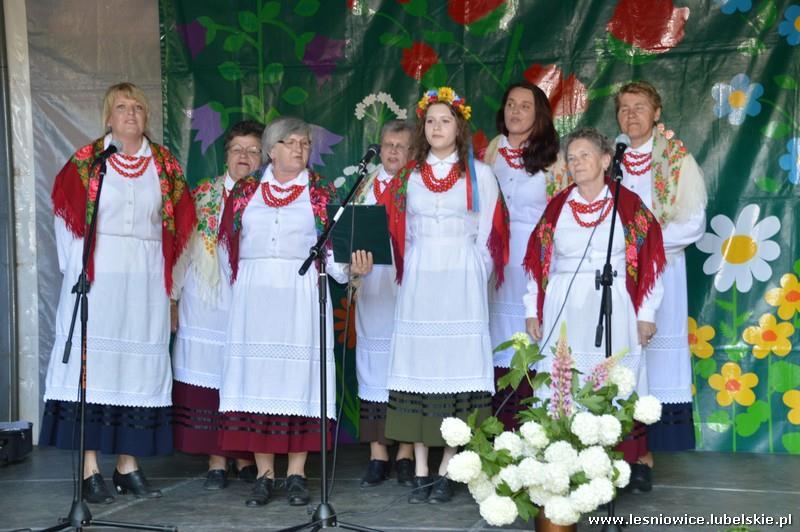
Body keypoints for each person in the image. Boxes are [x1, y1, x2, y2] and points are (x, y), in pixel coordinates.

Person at [40, 82, 196, 503]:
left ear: (146, 117)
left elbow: (184, 230)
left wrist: (173, 290)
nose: (130, 114)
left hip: (145, 281)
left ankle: (129, 464)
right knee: (95, 367)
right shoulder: (89, 162)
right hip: (99, 278)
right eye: (121, 108)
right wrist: (79, 271)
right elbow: (66, 219)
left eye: (138, 108)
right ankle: (90, 467)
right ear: (108, 117)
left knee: (136, 369)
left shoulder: (164, 165)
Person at [216, 117, 373, 507]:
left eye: (305, 143)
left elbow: (334, 256)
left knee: (298, 381)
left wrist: (352, 267)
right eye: (291, 142)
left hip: (300, 296)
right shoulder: (245, 190)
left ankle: (297, 475)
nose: (300, 150)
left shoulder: (319, 192)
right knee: (259, 382)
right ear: (271, 149)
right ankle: (265, 474)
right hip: (254, 298)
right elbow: (227, 248)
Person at [382, 87, 509, 504]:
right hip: (420, 277)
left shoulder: (480, 174)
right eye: (431, 121)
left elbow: (492, 231)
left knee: (456, 366)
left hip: (460, 276)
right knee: (420, 365)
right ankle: (420, 466)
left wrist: (475, 272)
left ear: (459, 128)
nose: (437, 127)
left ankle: (448, 466)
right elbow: (396, 229)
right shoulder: (410, 176)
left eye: (445, 120)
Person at [523, 127, 666, 467]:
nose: (577, 162)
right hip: (564, 305)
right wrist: (534, 309)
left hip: (614, 302)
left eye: (585, 155)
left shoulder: (628, 205)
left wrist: (647, 313)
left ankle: (621, 462)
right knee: (565, 377)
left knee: (614, 377)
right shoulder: (558, 207)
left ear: (605, 160)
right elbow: (538, 262)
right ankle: (566, 458)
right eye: (571, 158)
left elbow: (650, 263)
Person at [615, 81, 707, 491]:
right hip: (616, 275)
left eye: (639, 107)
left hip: (660, 272)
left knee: (653, 356)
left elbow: (693, 223)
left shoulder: (676, 159)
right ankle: (624, 453)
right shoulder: (610, 158)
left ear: (656, 113)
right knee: (621, 359)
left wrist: (641, 243)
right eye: (623, 108)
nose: (631, 115)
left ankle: (646, 457)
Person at [171, 120, 264, 490]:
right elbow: (180, 253)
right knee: (209, 379)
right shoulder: (203, 195)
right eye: (237, 149)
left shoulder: (269, 195)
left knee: (244, 379)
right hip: (206, 304)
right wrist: (173, 299)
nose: (244, 156)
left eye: (253, 150)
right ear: (226, 154)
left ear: (264, 156)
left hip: (249, 304)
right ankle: (216, 460)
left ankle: (243, 455)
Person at [480, 81, 567, 429]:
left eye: (525, 106)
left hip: (535, 265)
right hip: (495, 263)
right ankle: (498, 424)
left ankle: (529, 425)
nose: (515, 112)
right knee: (497, 338)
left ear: (539, 114)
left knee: (530, 338)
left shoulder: (554, 158)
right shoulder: (492, 151)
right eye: (510, 104)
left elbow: (561, 214)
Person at [352, 120, 415, 488]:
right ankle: (378, 452)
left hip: (407, 287)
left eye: (401, 146)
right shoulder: (363, 187)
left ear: (413, 152)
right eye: (388, 145)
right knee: (373, 366)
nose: (392, 152)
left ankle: (406, 452)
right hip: (373, 285)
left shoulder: (419, 187)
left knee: (406, 365)